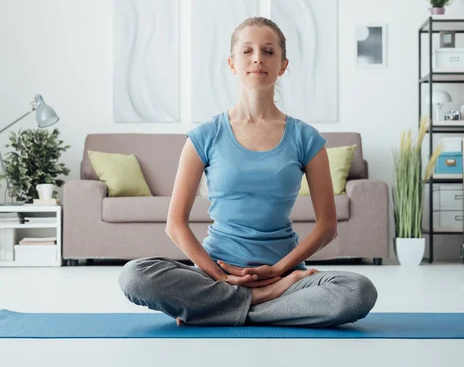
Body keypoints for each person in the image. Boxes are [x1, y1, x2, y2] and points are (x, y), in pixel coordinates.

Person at [118, 17, 378, 327]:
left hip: (286, 277)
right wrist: (221, 277)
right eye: (247, 51)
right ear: (232, 64)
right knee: (134, 276)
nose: (258, 58)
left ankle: (215, 309)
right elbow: (175, 225)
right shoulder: (204, 136)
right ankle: (259, 301)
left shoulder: (306, 138)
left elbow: (327, 226)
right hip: (215, 275)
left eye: (268, 51)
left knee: (357, 292)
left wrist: (279, 272)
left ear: (282, 65)